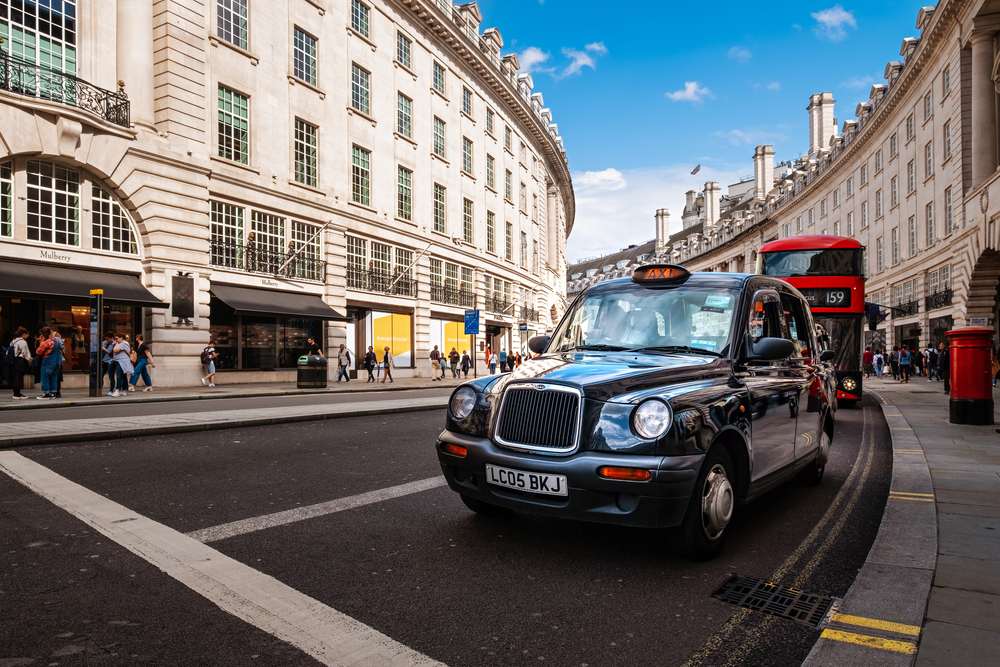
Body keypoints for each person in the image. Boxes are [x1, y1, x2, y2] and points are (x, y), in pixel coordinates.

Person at [34, 327, 60, 400]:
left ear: (42, 334)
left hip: (48, 361)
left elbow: (38, 352)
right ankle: (53, 393)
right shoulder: (56, 340)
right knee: (54, 377)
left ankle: (46, 393)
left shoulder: (46, 342)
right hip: (57, 361)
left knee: (45, 377)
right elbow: (61, 349)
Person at [9, 327, 31, 399]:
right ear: (23, 334)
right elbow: (25, 352)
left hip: (13, 360)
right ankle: (17, 394)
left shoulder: (13, 341)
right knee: (18, 377)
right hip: (20, 360)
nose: (27, 336)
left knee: (15, 377)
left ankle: (15, 392)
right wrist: (29, 360)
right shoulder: (22, 342)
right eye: (27, 334)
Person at [51, 329, 66, 398]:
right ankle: (56, 392)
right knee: (56, 376)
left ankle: (55, 391)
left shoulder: (55, 337)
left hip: (54, 359)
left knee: (55, 376)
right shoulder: (57, 339)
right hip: (57, 359)